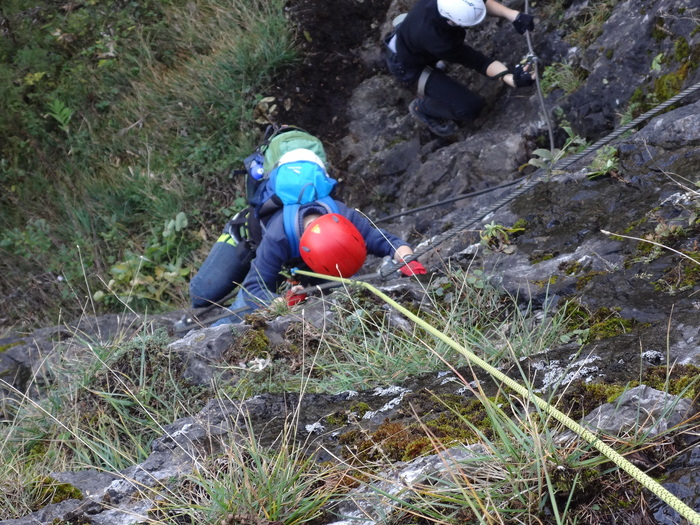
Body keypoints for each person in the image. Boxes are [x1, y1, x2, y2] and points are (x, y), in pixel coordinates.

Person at [189, 149, 426, 325]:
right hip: (251, 239)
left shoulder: (344, 216)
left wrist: (407, 258)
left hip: (305, 257)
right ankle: (200, 343)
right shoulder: (278, 236)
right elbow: (255, 285)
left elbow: (382, 240)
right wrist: (277, 303)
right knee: (222, 302)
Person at [384, 0, 536, 137]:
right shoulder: (440, 42)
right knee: (470, 107)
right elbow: (478, 62)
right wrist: (510, 77)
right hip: (407, 65)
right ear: (452, 22)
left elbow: (479, 3)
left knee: (430, 50)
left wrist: (514, 15)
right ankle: (422, 107)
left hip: (412, 36)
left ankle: (431, 63)